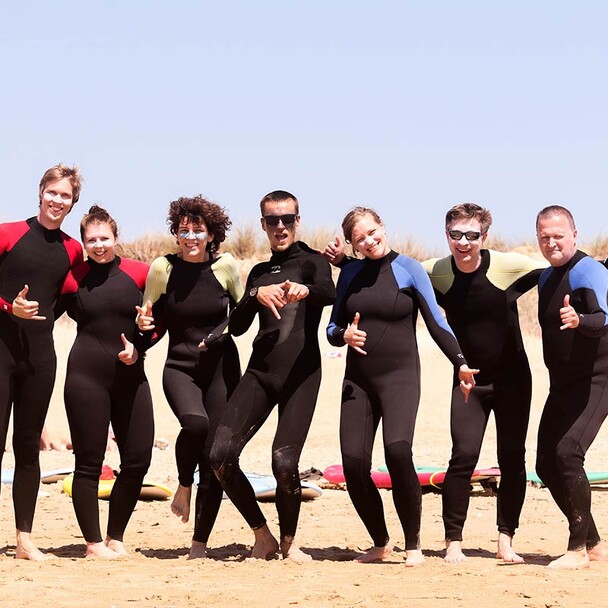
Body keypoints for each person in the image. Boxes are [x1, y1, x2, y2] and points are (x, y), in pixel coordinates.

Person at [326, 206, 478, 566]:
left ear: (383, 227)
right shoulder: (349, 274)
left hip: (400, 377)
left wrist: (460, 363)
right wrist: (344, 334)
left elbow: (436, 322)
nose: (370, 240)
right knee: (353, 463)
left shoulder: (408, 268)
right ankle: (380, 542)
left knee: (397, 451)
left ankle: (413, 544)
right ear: (353, 243)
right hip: (357, 381)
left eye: (373, 231)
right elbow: (331, 329)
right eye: (360, 237)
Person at [210, 190, 335, 562]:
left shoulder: (313, 262)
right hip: (260, 373)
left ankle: (289, 541)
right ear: (262, 224)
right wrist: (254, 295)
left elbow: (328, 292)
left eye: (287, 219)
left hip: (301, 374)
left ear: (298, 221)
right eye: (272, 221)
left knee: (283, 462)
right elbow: (238, 327)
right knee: (220, 455)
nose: (280, 227)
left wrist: (306, 289)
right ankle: (262, 535)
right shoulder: (260, 273)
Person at [422, 203, 546, 564]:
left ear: (484, 236)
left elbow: (561, 268)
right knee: (462, 457)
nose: (463, 243)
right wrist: (342, 264)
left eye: (472, 235)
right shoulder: (436, 271)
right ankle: (453, 541)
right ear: (446, 235)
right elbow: (393, 272)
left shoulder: (509, 265)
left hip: (513, 380)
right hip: (468, 382)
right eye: (456, 235)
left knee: (512, 458)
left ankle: (506, 538)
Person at [136, 196, 242, 559]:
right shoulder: (162, 269)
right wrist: (141, 327)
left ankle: (199, 544)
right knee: (195, 425)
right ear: (176, 233)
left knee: (214, 457)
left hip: (221, 369)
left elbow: (240, 319)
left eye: (199, 230)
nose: (191, 237)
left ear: (212, 234)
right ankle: (183, 485)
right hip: (179, 367)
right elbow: (148, 319)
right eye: (184, 230)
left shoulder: (226, 266)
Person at [58, 205, 154, 558]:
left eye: (104, 238)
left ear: (116, 237)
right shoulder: (72, 276)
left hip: (131, 374)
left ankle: (116, 535)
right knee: (88, 462)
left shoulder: (140, 273)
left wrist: (140, 348)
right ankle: (93, 543)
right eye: (91, 240)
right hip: (85, 376)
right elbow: (47, 312)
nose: (98, 245)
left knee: (138, 458)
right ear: (84, 242)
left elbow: (155, 324)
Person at [0, 164, 83, 560]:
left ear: (73, 202)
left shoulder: (72, 250)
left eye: (65, 196)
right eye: (53, 192)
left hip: (39, 358)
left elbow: (72, 299)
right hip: (0, 353)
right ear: (40, 192)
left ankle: (23, 540)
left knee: (27, 449)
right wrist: (7, 306)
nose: (57, 200)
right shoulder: (8, 233)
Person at [535, 205, 608, 569]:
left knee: (568, 452)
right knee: (546, 465)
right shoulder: (546, 278)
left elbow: (603, 318)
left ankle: (577, 549)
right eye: (544, 237)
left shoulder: (589, 270)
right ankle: (593, 542)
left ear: (574, 235)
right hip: (562, 383)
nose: (551, 243)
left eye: (558, 236)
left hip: (598, 378)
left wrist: (580, 319)